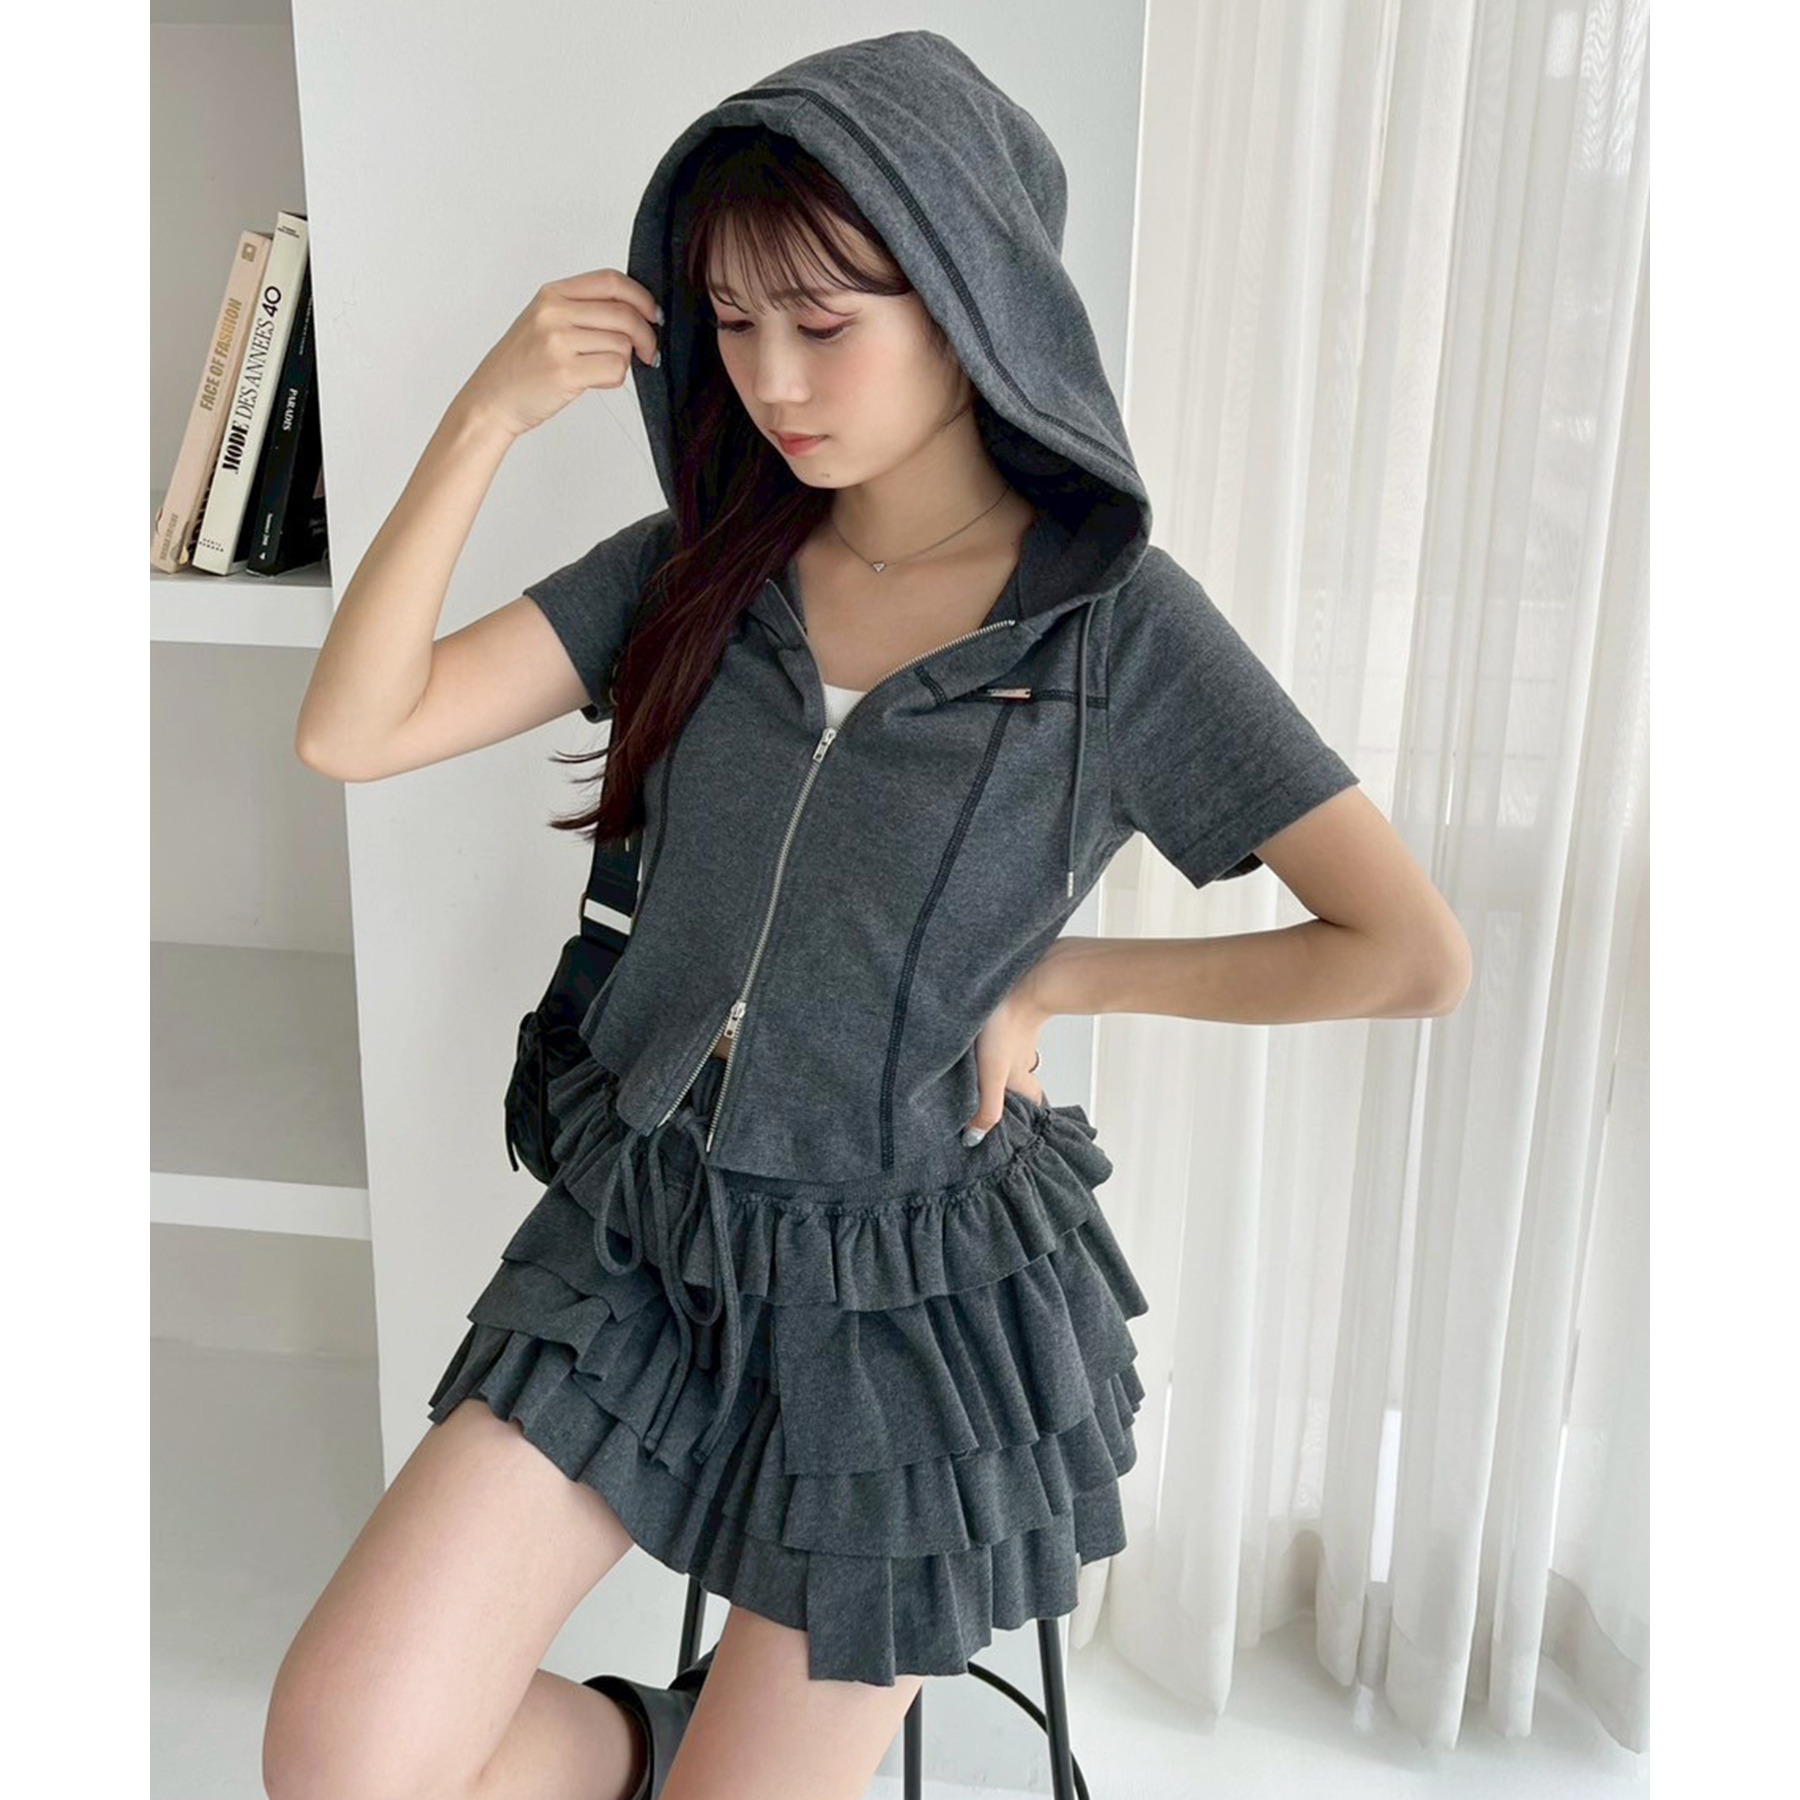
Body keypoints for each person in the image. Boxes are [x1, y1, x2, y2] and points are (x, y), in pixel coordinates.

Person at [267, 28, 1469, 1800]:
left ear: (972, 301)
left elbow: (1409, 952)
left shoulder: (1118, 630)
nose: (772, 377)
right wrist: (485, 419)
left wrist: (1063, 974)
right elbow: (355, 729)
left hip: (915, 1304)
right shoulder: (700, 571)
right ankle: (658, 1743)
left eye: (825, 323)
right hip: (644, 1244)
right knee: (343, 1760)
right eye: (733, 321)